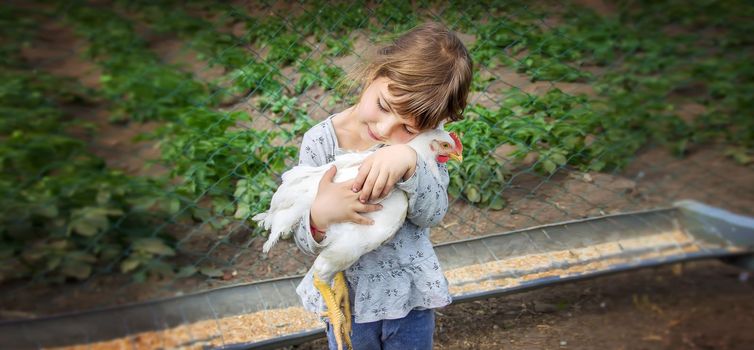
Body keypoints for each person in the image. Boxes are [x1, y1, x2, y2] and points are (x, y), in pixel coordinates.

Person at [292, 21, 472, 350]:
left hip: (410, 296)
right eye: (384, 106)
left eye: (407, 127)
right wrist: (318, 216)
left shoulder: (424, 145)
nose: (386, 128)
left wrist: (409, 161)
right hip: (350, 303)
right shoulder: (321, 143)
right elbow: (303, 240)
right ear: (375, 73)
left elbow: (432, 212)